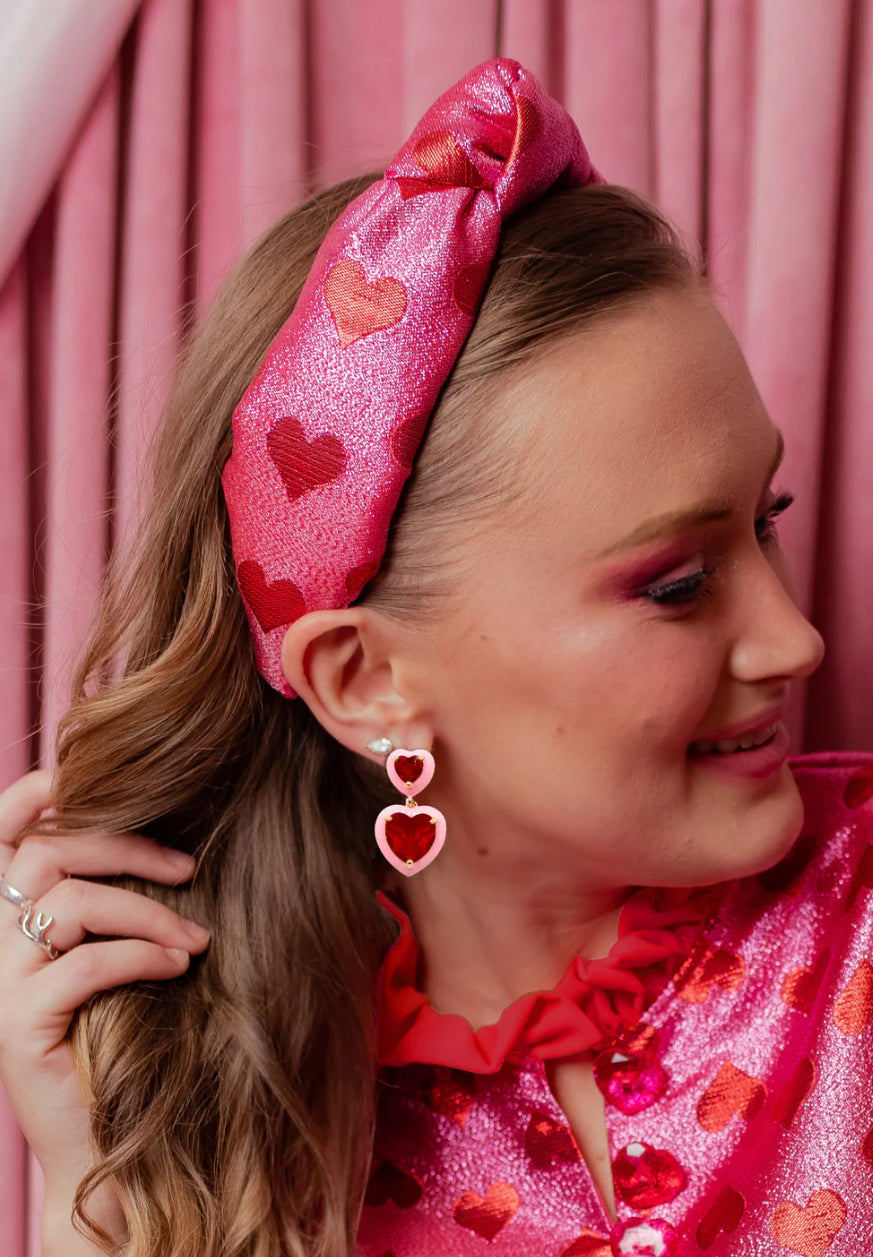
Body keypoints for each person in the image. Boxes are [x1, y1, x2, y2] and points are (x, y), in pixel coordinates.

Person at [0, 57, 871, 1257]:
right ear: (365, 681)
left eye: (765, 518)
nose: (796, 637)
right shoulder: (256, 1117)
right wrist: (94, 1205)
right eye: (675, 585)